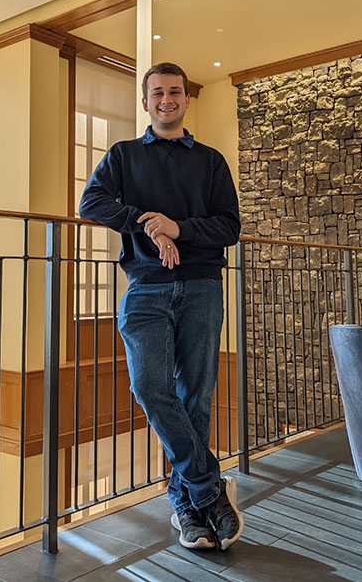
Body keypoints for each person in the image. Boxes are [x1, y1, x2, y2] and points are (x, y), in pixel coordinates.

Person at [79, 62, 243, 550]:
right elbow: (91, 203)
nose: (167, 100)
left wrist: (180, 229)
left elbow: (229, 227)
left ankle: (187, 508)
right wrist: (146, 222)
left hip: (201, 286)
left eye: (175, 92)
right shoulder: (124, 156)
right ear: (145, 102)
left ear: (186, 99)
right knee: (149, 386)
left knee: (196, 395)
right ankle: (210, 490)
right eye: (158, 93)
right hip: (146, 287)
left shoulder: (210, 161)